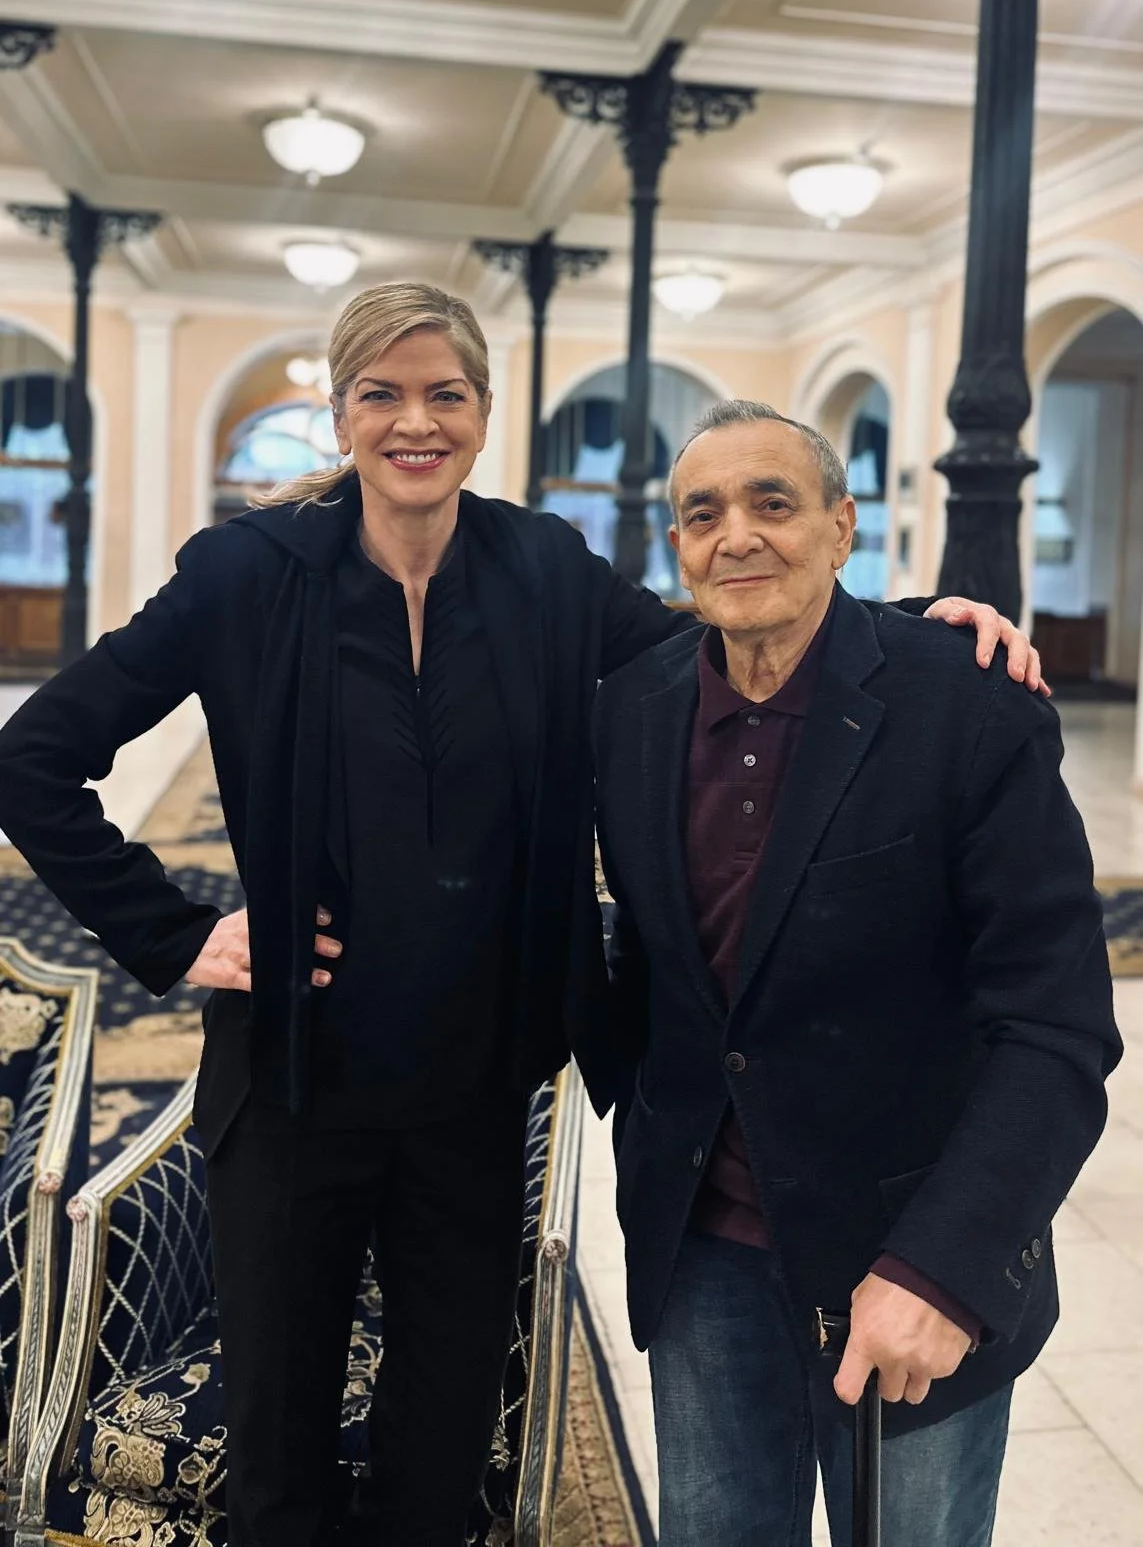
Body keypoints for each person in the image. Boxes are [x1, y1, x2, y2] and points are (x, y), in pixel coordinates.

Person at [0, 293, 1041, 1547]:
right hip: (290, 1091)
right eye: (380, 393)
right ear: (341, 414)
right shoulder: (246, 575)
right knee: (279, 1461)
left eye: (445, 392)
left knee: (439, 1455)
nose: (414, 420)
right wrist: (171, 931)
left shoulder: (543, 568)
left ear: (484, 414)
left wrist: (919, 625)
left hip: (477, 1099)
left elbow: (727, 620)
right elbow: (33, 758)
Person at [589, 397, 1122, 1547]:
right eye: (703, 512)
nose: (737, 534)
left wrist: (945, 1267)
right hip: (704, 1248)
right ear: (675, 547)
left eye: (773, 502)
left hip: (903, 1247)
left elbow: (1060, 1026)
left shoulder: (967, 702)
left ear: (842, 529)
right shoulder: (630, 710)